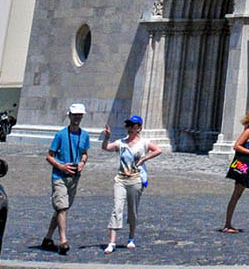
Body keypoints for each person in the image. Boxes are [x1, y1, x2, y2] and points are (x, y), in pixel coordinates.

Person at [102, 115, 161, 252]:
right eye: (128, 125)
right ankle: (112, 242)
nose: (130, 128)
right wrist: (107, 137)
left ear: (139, 128)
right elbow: (106, 147)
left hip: (136, 179)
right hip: (121, 179)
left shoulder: (144, 143)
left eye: (133, 126)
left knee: (132, 210)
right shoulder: (121, 142)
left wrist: (145, 158)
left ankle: (131, 238)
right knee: (117, 208)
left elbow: (158, 150)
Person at [42, 105, 90, 254]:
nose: (77, 118)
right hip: (59, 176)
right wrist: (61, 167)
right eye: (75, 115)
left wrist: (82, 163)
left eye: (79, 115)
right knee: (62, 207)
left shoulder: (85, 135)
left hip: (74, 177)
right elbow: (49, 156)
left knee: (61, 209)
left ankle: (48, 238)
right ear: (69, 116)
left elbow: (84, 153)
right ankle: (63, 241)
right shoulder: (61, 135)